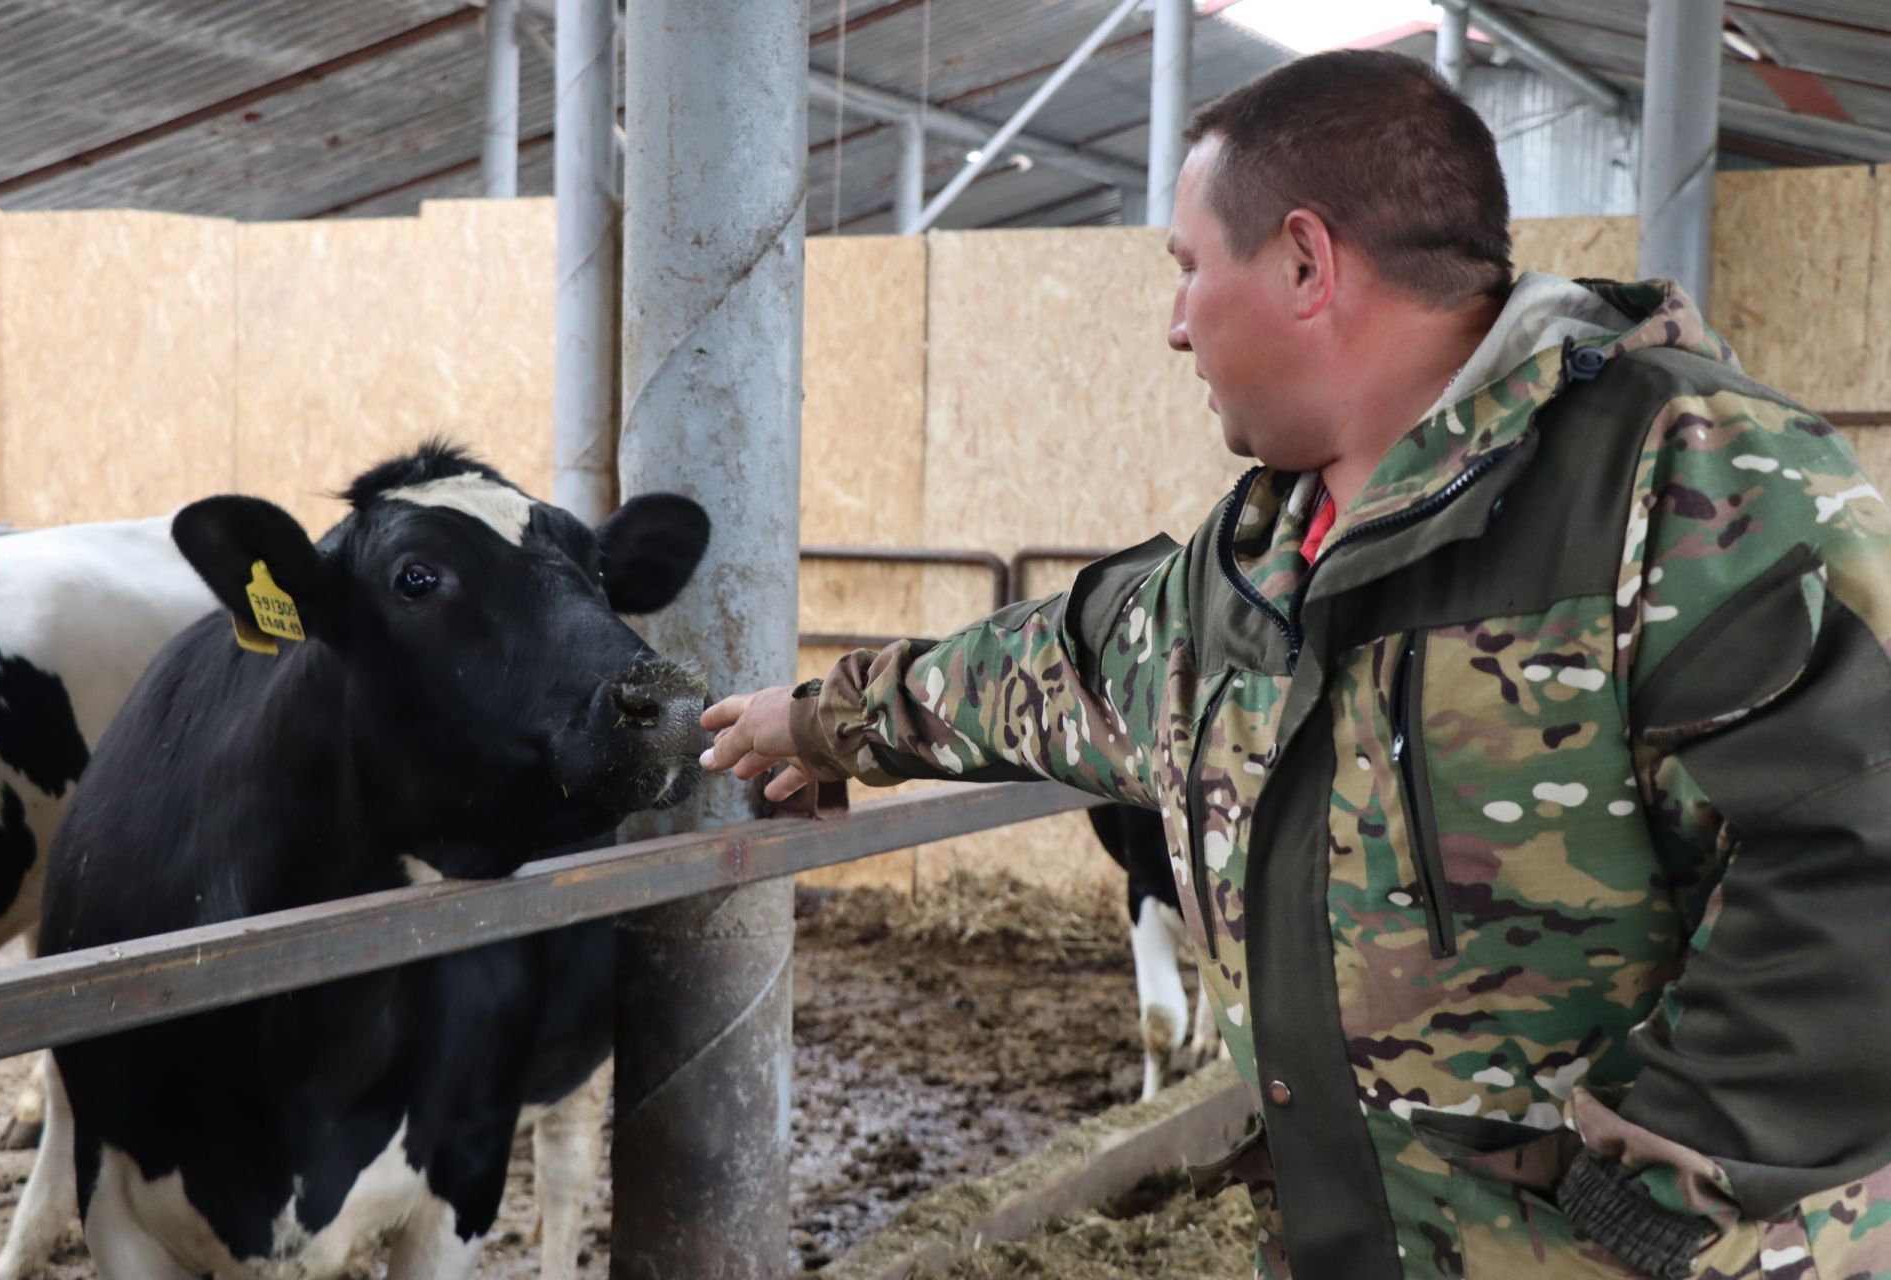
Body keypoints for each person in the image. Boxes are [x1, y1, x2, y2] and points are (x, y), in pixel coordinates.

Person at [703, 49, 1891, 1280]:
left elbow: (1856, 852)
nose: (1174, 324)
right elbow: (1040, 668)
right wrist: (814, 722)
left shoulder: (1691, 480)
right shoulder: (1253, 563)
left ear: (1306, 263)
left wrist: (1659, 1191)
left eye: (1185, 268)